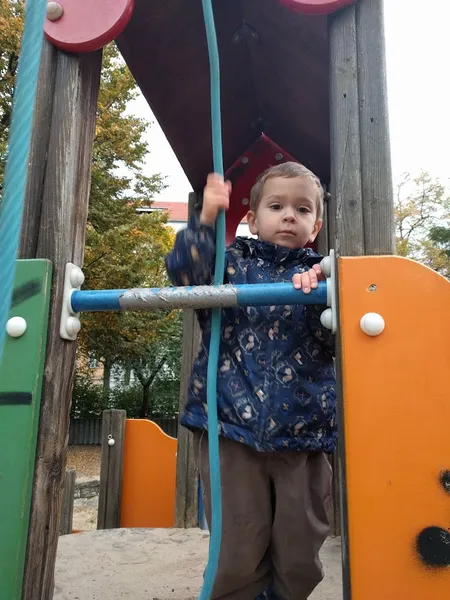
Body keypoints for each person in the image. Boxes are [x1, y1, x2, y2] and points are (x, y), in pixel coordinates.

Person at [165, 161, 336, 600]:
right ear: (251, 218)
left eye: (302, 209)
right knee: (237, 547)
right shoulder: (229, 265)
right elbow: (184, 273)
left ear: (315, 225)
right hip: (231, 433)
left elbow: (338, 337)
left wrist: (325, 286)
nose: (288, 216)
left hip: (305, 435)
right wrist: (205, 218)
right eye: (276, 206)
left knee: (301, 549)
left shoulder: (323, 276)